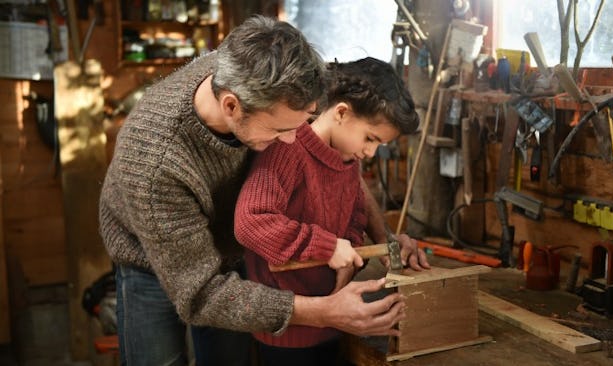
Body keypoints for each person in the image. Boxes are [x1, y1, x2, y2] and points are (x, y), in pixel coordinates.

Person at [99, 15, 428, 366]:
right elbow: (201, 295)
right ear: (231, 106)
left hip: (231, 244)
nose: (291, 142)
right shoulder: (155, 163)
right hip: (155, 257)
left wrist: (386, 238)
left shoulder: (250, 71)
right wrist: (325, 311)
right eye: (280, 131)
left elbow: (337, 167)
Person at [234, 57, 423, 366]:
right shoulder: (287, 149)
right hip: (288, 332)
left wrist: (350, 257)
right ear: (342, 112)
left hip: (333, 320)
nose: (370, 152)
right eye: (370, 138)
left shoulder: (348, 159)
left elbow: (354, 219)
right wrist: (328, 246)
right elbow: (250, 222)